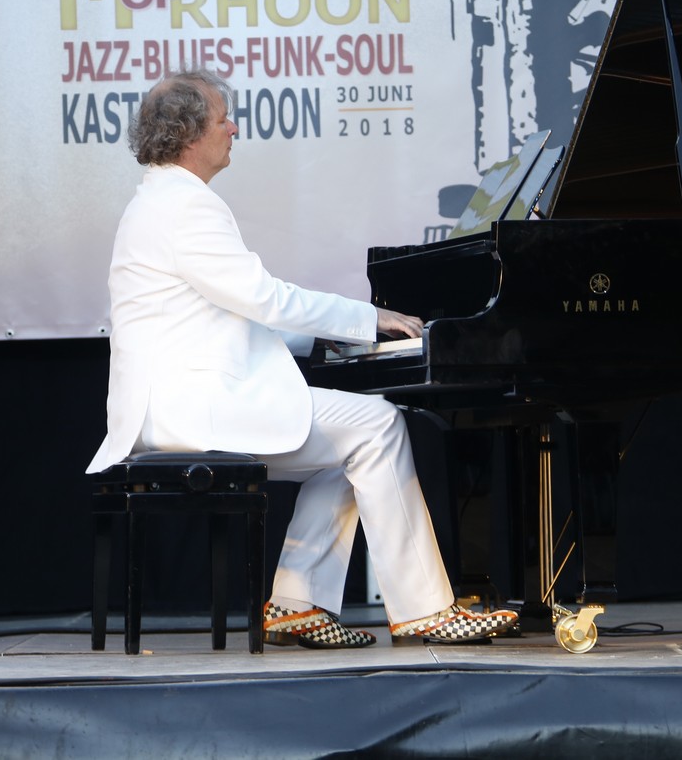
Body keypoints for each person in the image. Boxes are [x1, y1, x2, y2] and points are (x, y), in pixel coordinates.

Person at [85, 68, 519, 648]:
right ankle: (426, 611)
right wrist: (366, 321)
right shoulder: (187, 206)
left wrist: (326, 341)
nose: (234, 129)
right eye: (223, 120)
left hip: (169, 406)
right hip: (193, 409)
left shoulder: (158, 200)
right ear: (189, 134)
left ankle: (297, 604)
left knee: (346, 453)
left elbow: (226, 316)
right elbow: (263, 297)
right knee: (379, 425)